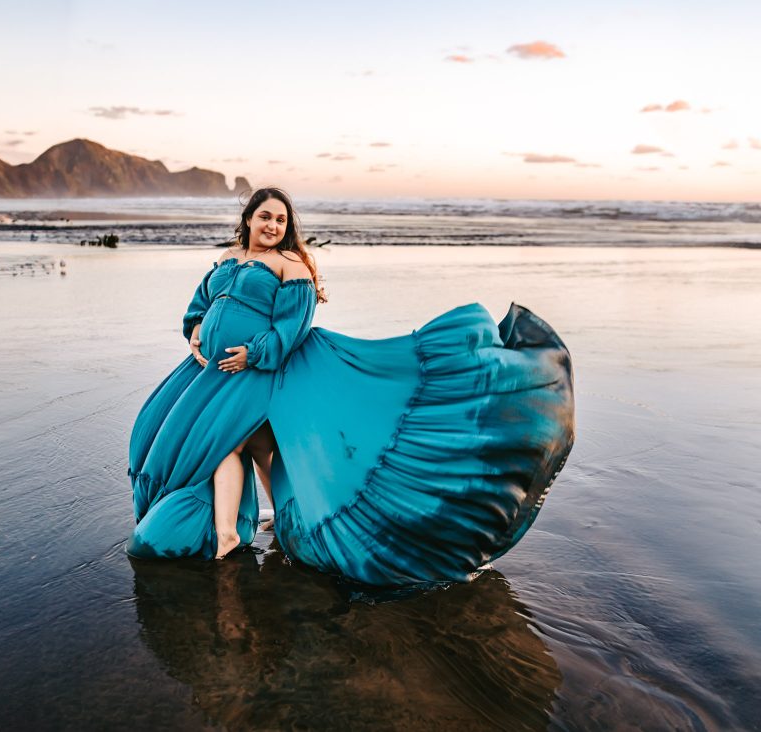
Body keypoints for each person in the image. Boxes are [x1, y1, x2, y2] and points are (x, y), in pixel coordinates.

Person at [128, 188, 575, 587]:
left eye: (281, 220)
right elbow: (200, 306)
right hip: (210, 371)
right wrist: (195, 330)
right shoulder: (226, 260)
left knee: (229, 443)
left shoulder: (290, 264)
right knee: (260, 445)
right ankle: (278, 520)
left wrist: (254, 352)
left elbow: (295, 324)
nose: (273, 225)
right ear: (248, 219)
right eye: (265, 216)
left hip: (258, 371)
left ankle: (228, 534)